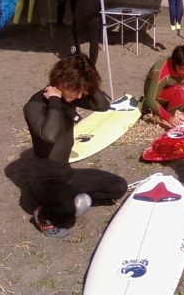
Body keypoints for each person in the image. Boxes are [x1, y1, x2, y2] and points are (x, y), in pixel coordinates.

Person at [23, 54, 127, 238]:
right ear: (62, 81)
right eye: (76, 90)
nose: (79, 96)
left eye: (82, 91)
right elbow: (49, 136)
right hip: (45, 180)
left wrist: (90, 81)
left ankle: (71, 198)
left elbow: (103, 105)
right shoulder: (35, 105)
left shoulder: (69, 97)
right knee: (67, 217)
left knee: (119, 187)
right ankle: (44, 214)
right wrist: (54, 100)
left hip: (66, 173)